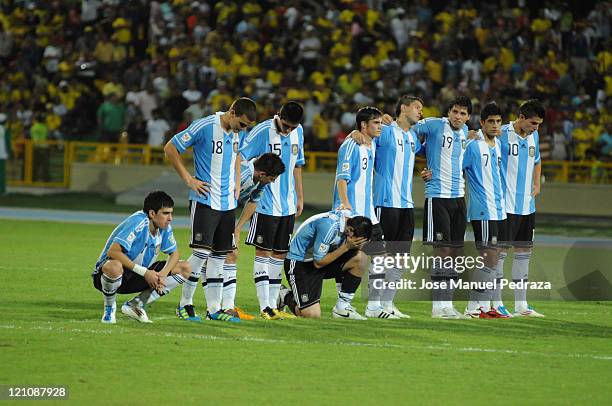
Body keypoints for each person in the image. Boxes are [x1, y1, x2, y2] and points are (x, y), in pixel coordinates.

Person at [164, 97, 257, 322]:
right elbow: (170, 148)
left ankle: (213, 309)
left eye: (246, 127)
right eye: (242, 124)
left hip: (227, 204)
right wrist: (189, 179)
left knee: (218, 258)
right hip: (205, 200)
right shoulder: (205, 126)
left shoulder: (238, 133)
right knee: (201, 254)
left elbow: (237, 155)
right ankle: (184, 303)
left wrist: (236, 182)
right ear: (232, 112)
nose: (243, 130)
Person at [239, 101, 305, 320]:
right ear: (278, 116)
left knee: (279, 255)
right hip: (265, 202)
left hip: (287, 204)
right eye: (285, 126)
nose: (288, 131)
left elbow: (297, 165)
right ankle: (264, 306)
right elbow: (241, 157)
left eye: (293, 128)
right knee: (263, 253)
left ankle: (274, 306)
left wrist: (300, 196)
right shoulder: (261, 131)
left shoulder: (298, 132)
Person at [92, 191, 191, 324]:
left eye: (171, 213)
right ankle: (109, 308)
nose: (170, 218)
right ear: (152, 213)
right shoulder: (138, 222)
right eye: (165, 213)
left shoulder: (164, 227)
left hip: (135, 275)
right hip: (107, 275)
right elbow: (113, 252)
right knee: (114, 266)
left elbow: (175, 254)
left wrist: (163, 274)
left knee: (184, 268)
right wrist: (145, 272)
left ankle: (137, 304)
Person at [333, 106, 394, 319]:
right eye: (375, 123)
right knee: (354, 260)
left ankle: (374, 306)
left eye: (380, 123)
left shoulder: (372, 142)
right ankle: (343, 306)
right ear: (363, 125)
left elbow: (393, 125)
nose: (380, 127)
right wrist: (346, 208)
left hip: (370, 214)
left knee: (380, 258)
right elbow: (342, 179)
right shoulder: (352, 145)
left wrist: (386, 119)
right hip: (355, 215)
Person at [414, 96, 470, 319]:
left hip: (459, 197)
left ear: (468, 117)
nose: (458, 117)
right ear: (449, 112)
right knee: (442, 250)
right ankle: (438, 306)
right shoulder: (434, 124)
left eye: (463, 113)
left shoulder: (467, 134)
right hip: (437, 196)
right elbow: (407, 127)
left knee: (455, 252)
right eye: (455, 112)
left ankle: (448, 304)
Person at [371, 95, 424, 319]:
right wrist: (356, 133)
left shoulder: (413, 138)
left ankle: (388, 304)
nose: (421, 112)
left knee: (400, 258)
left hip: (406, 204)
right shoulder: (384, 130)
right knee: (380, 257)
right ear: (403, 108)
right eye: (417, 108)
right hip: (385, 202)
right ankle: (373, 306)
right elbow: (364, 141)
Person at [220, 153, 286, 320]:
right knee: (207, 256)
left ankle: (225, 307)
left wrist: (237, 228)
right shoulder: (240, 175)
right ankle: (190, 303)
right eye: (272, 178)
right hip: (211, 207)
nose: (273, 182)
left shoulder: (258, 181)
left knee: (228, 255)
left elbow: (253, 201)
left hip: (224, 212)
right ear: (262, 174)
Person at [498, 99, 545, 317]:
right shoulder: (502, 133)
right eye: (533, 123)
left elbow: (537, 161)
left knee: (524, 252)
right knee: (499, 254)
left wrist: (537, 184)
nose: (536, 128)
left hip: (527, 206)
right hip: (506, 206)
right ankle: (496, 303)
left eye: (539, 124)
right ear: (521, 117)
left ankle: (521, 305)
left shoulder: (533, 135)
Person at [277, 211, 372, 319]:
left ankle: (342, 307)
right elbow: (318, 263)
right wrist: (346, 247)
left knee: (361, 258)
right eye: (358, 242)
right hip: (300, 263)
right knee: (312, 315)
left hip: (322, 258)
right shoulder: (329, 226)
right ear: (350, 231)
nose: (360, 245)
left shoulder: (353, 221)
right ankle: (284, 295)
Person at [461, 102, 508, 318]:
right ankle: (473, 306)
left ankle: (486, 305)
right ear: (482, 123)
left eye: (499, 122)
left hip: (499, 209)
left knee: (495, 258)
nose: (496, 125)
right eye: (491, 122)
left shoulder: (497, 145)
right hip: (483, 209)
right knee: (488, 257)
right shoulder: (473, 146)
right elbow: (455, 166)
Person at [0, 113, 11, 195]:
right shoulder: (5, 130)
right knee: (1, 174)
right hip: (1, 154)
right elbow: (7, 143)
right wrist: (9, 153)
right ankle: (2, 190)